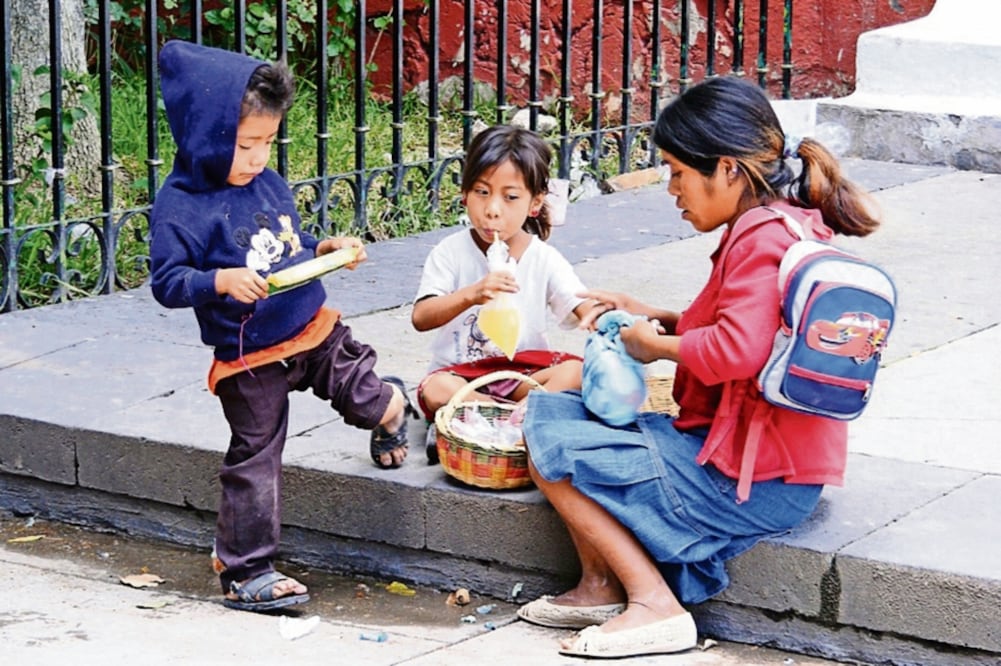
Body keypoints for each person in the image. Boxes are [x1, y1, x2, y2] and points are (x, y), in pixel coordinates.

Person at [515, 76, 881, 658]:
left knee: (550, 434)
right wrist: (657, 316)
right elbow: (749, 327)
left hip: (752, 482)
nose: (671, 189)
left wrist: (648, 346)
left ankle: (652, 604)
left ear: (728, 170)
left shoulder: (759, 238)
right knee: (558, 409)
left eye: (678, 171)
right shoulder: (784, 221)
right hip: (766, 466)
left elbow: (738, 351)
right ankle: (600, 586)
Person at [149, 40, 417, 612]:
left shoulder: (265, 180)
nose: (258, 158)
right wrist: (218, 281)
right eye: (246, 145)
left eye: (267, 142)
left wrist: (326, 247)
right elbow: (167, 283)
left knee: (367, 399)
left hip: (311, 325)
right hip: (249, 355)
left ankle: (391, 407)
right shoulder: (181, 206)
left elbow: (285, 238)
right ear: (206, 135)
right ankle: (245, 570)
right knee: (255, 455)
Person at [411, 125, 597, 462]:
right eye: (482, 192)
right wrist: (472, 294)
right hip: (461, 375)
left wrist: (606, 318)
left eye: (510, 197)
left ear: (535, 203)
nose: (492, 209)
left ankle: (475, 422)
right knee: (437, 389)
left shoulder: (543, 258)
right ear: (465, 193)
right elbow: (421, 317)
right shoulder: (450, 252)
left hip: (521, 374)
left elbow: (578, 302)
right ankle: (515, 422)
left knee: (579, 372)